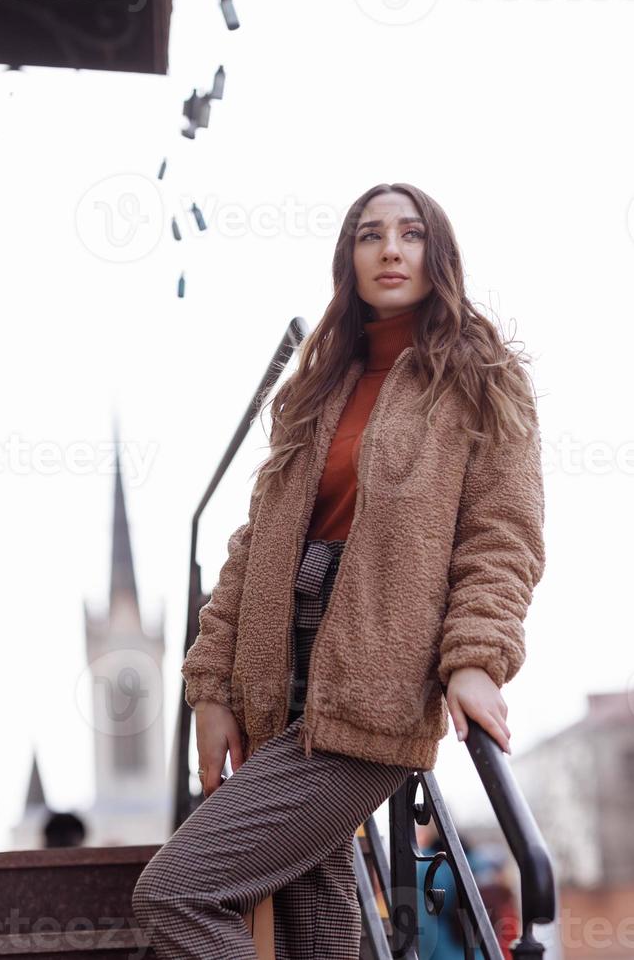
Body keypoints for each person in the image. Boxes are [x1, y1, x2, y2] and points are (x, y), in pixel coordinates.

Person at [132, 183, 546, 959]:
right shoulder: (318, 387)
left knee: (177, 892)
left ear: (437, 253)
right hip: (276, 675)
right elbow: (251, 548)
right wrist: (211, 691)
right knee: (315, 930)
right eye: (370, 235)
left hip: (375, 683)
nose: (390, 248)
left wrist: (475, 661)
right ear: (348, 260)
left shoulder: (480, 377)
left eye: (411, 233)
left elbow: (503, 536)